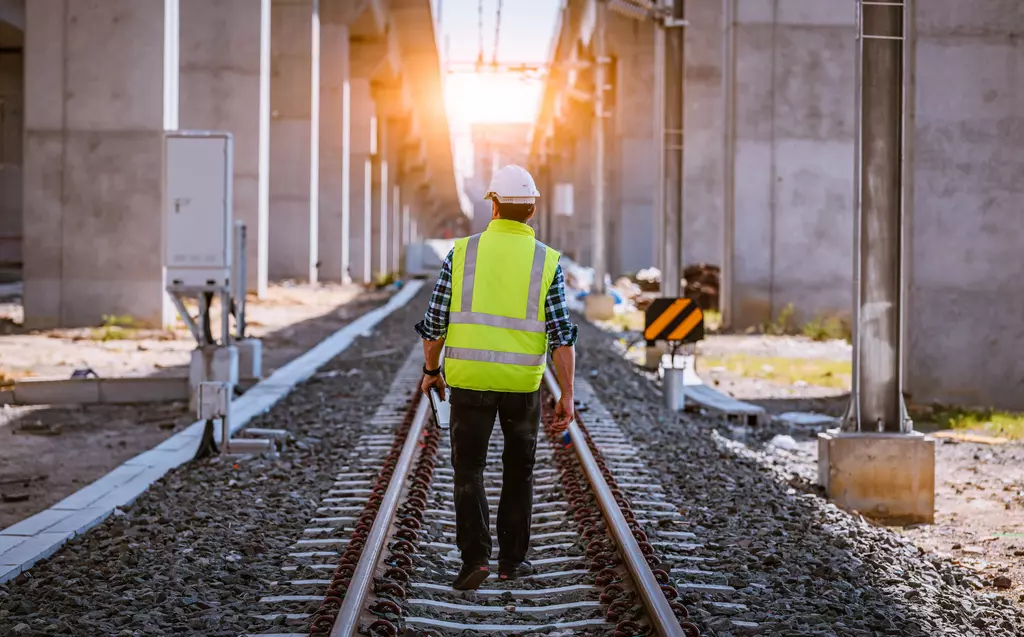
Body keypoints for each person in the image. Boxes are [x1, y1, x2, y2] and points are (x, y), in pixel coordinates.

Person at [415, 164, 578, 591]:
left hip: (469, 381)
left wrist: (432, 371)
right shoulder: (547, 261)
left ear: (493, 206)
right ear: (533, 208)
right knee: (519, 470)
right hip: (522, 386)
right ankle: (510, 562)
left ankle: (475, 560)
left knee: (468, 470)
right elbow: (562, 336)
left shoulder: (463, 253)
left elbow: (434, 324)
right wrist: (567, 396)